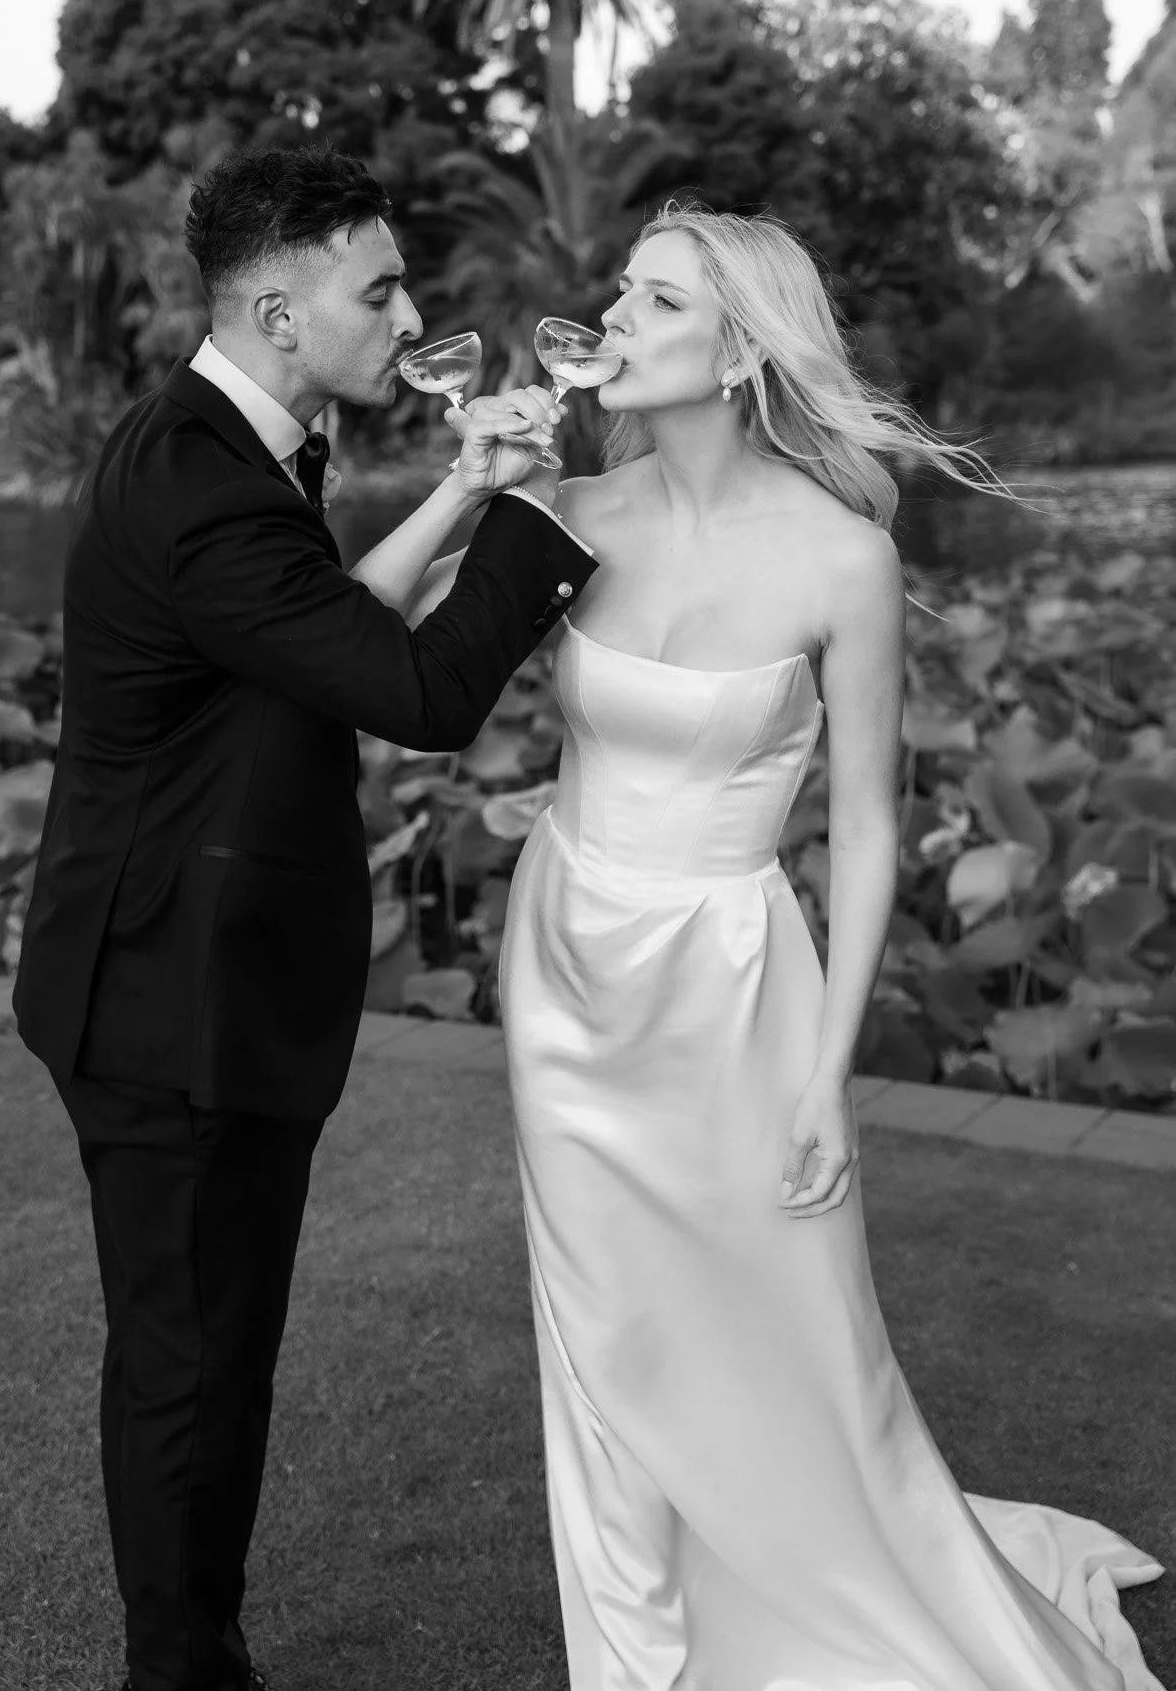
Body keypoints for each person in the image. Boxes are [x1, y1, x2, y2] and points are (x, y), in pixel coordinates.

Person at [411, 202, 1165, 1691]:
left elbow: (870, 829)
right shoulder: (562, 514)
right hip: (567, 964)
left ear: (741, 350)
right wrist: (465, 487)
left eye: (655, 303)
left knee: (793, 1319)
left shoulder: (841, 559)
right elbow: (385, 659)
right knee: (601, 1320)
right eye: (619, 293)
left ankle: (860, 1583)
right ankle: (633, 1659)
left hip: (736, 976)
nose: (609, 322)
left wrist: (829, 1078)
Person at [13, 143, 597, 1691]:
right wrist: (536, 510)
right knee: (195, 1369)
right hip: (173, 999)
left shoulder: (218, 440)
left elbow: (322, 624)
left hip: (171, 970)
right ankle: (184, 1669)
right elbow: (409, 690)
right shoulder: (205, 485)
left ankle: (188, 1649)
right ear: (281, 312)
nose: (410, 313)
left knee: (195, 1355)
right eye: (381, 286)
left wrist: (468, 487)